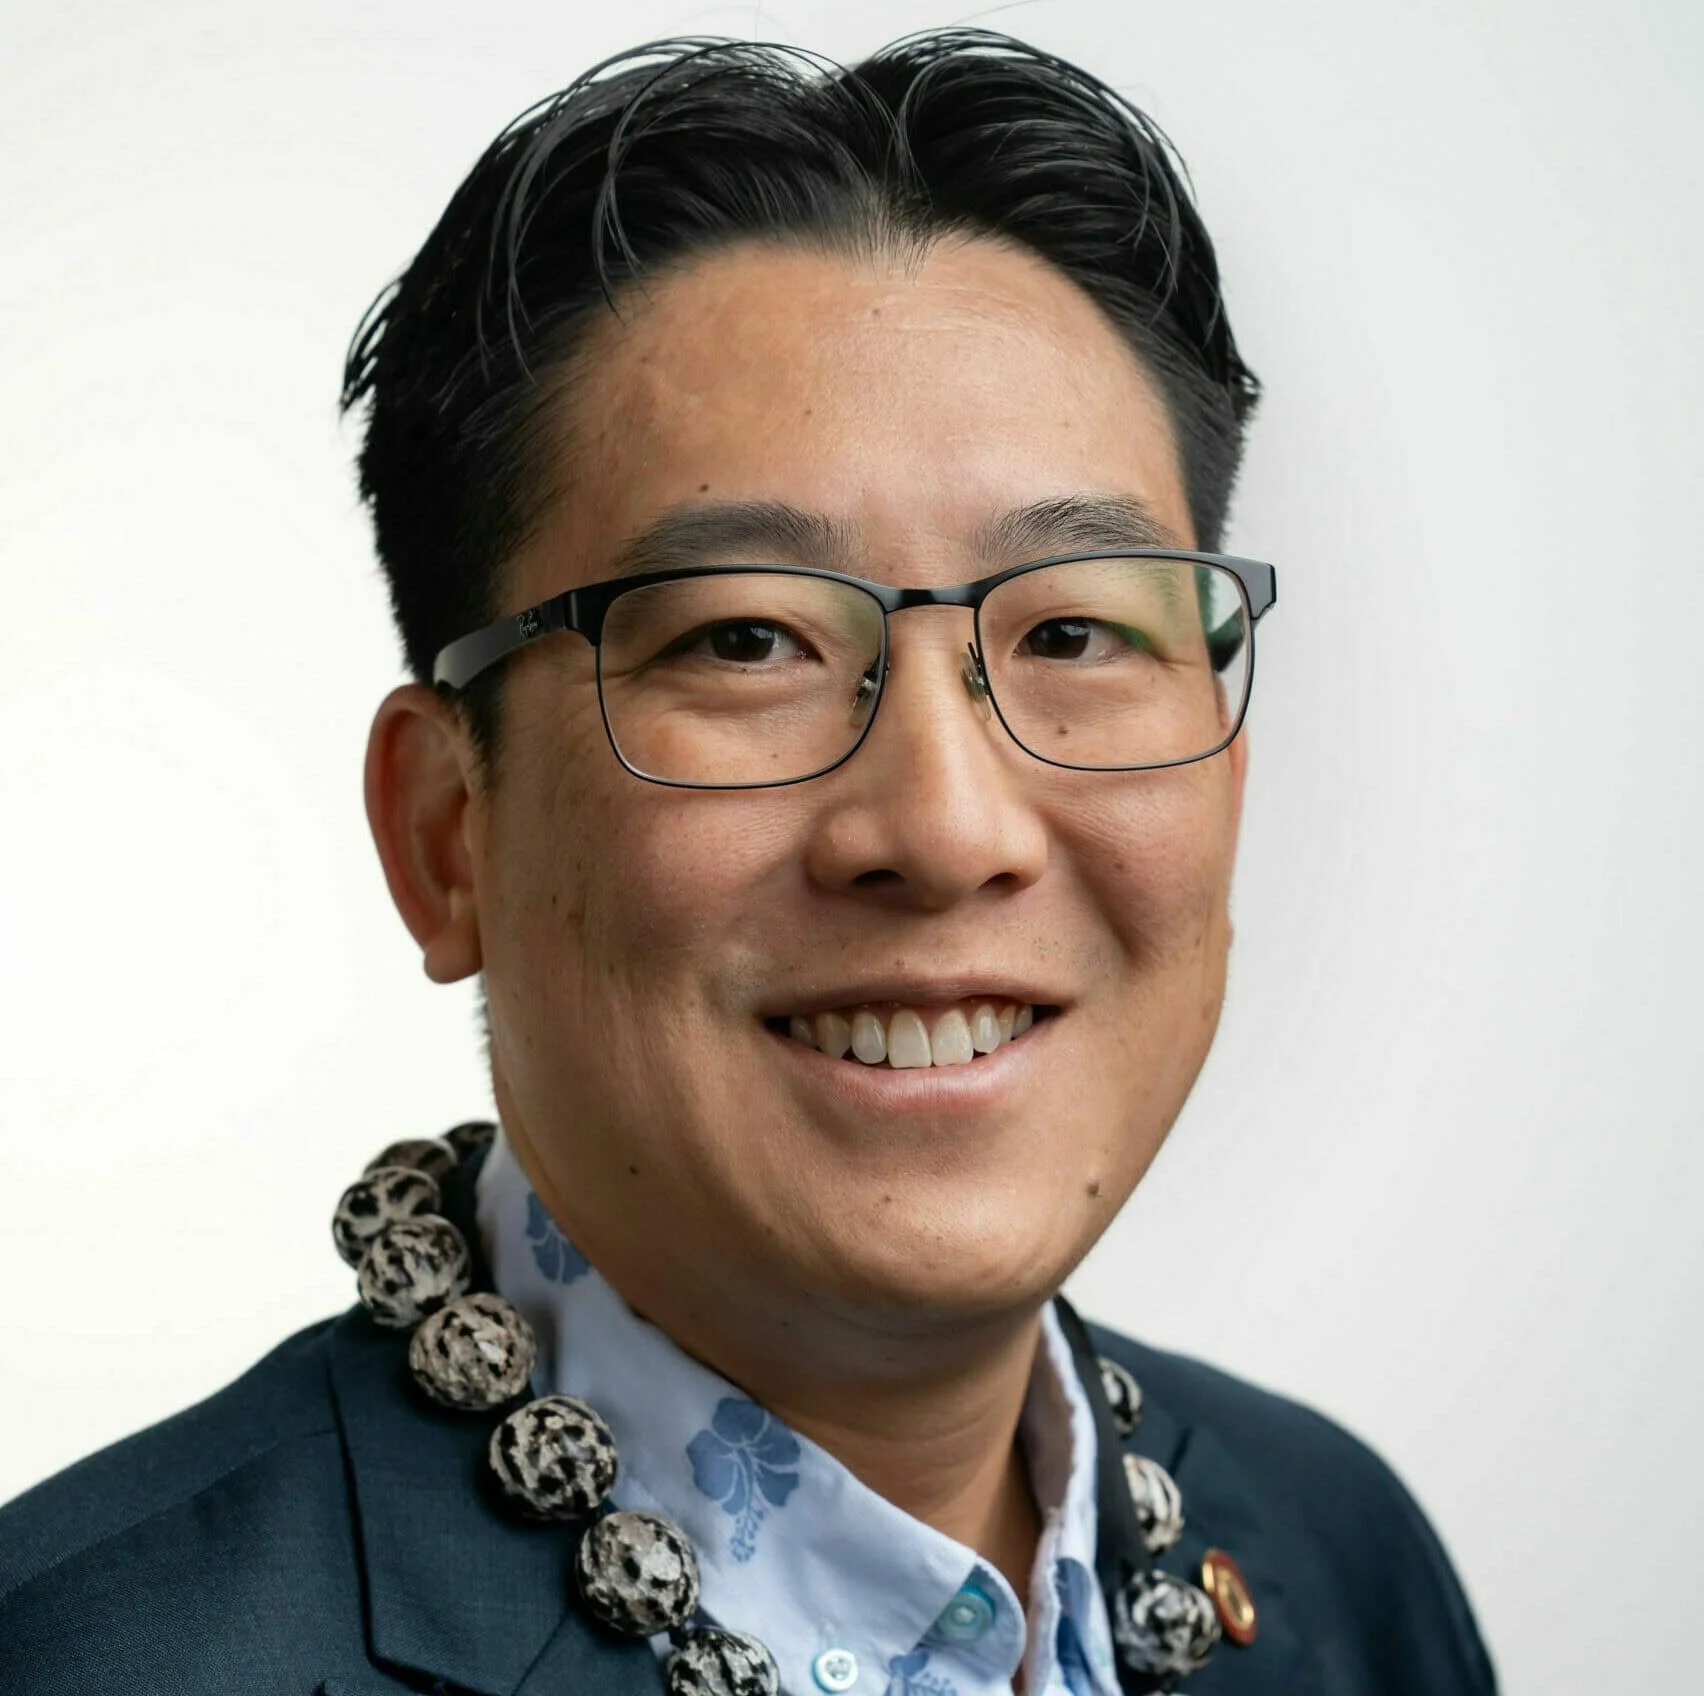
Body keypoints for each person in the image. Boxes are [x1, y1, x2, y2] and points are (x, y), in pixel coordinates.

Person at [0, 29, 1495, 1696]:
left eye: (1076, 626)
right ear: (447, 836)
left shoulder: (1340, 1569)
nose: (945, 828)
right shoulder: (97, 1656)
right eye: (748, 640)